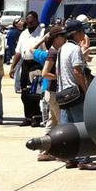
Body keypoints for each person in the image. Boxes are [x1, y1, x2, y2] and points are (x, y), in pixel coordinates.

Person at [56, 19, 96, 170]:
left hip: (63, 93)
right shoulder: (75, 50)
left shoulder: (62, 49)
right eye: (82, 31)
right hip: (75, 92)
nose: (84, 34)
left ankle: (70, 158)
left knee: (67, 129)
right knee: (81, 126)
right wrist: (86, 89)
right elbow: (77, 71)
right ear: (76, 33)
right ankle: (85, 159)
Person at [34, 26, 64, 162]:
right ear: (56, 38)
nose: (65, 38)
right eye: (63, 35)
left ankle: (44, 150)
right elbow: (45, 73)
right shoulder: (53, 53)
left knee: (52, 122)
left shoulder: (54, 51)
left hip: (50, 92)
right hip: (53, 92)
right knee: (62, 122)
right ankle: (63, 152)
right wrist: (60, 77)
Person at [9, 11, 45, 127]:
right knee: (24, 92)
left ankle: (36, 117)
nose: (29, 23)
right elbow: (18, 52)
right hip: (25, 64)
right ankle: (28, 117)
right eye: (27, 21)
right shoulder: (23, 33)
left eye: (31, 21)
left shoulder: (42, 32)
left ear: (36, 20)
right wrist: (12, 67)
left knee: (34, 92)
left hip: (37, 64)